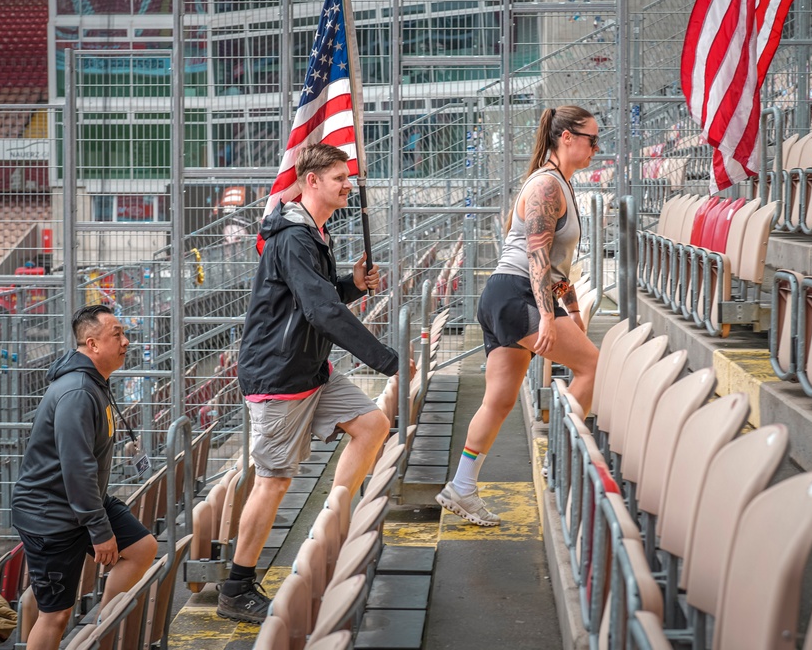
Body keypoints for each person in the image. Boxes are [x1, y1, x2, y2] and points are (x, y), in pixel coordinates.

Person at [217, 142, 414, 623]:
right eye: (339, 179)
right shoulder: (293, 237)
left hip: (310, 370)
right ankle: (236, 587)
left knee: (371, 425)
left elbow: (319, 297)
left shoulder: (312, 232)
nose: (348, 186)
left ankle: (335, 524)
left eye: (347, 179)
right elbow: (320, 310)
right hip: (280, 376)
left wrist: (351, 283)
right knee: (274, 482)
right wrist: (387, 359)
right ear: (311, 182)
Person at [436, 105, 601, 527]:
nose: (596, 147)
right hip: (517, 296)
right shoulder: (547, 185)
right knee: (592, 367)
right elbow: (538, 256)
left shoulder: (555, 181)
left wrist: (572, 309)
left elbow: (554, 266)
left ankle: (462, 487)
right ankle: (562, 463)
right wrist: (548, 316)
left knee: (500, 399)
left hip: (505, 296)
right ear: (566, 137)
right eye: (591, 139)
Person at [11, 305, 158, 650]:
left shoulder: (94, 381)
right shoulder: (78, 391)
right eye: (117, 334)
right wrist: (100, 530)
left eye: (124, 333)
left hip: (79, 501)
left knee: (141, 548)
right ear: (92, 344)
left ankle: (102, 635)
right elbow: (76, 468)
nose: (126, 341)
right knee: (56, 615)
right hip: (51, 514)